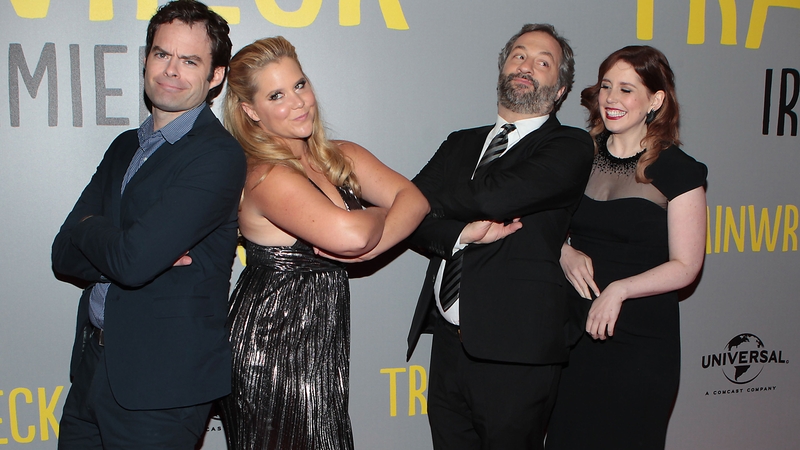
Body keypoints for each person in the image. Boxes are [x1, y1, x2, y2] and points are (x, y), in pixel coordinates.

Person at [217, 36, 429, 450]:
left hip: (319, 342)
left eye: (300, 85)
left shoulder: (339, 155)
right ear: (250, 111)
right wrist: (377, 217)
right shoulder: (265, 176)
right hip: (270, 346)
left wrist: (371, 236)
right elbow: (351, 237)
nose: (298, 102)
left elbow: (416, 200)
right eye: (277, 95)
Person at [50, 1, 245, 448]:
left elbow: (133, 261)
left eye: (190, 60)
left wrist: (95, 231)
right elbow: (64, 251)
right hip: (93, 370)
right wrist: (117, 246)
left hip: (162, 388)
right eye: (162, 54)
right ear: (146, 58)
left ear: (216, 76)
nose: (171, 70)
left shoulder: (216, 156)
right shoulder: (124, 147)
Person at [406, 24, 594, 449]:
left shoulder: (570, 145)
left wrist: (431, 200)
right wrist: (460, 233)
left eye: (544, 63)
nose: (527, 66)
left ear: (561, 88)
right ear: (503, 69)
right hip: (448, 347)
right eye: (519, 55)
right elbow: (410, 215)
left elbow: (494, 196)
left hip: (518, 354)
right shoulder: (460, 142)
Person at [545, 46, 707, 449]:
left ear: (655, 100)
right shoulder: (578, 156)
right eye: (606, 86)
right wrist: (564, 251)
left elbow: (686, 266)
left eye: (626, 89)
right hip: (575, 333)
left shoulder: (678, 170)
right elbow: (545, 226)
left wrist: (620, 289)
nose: (612, 99)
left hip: (641, 340)